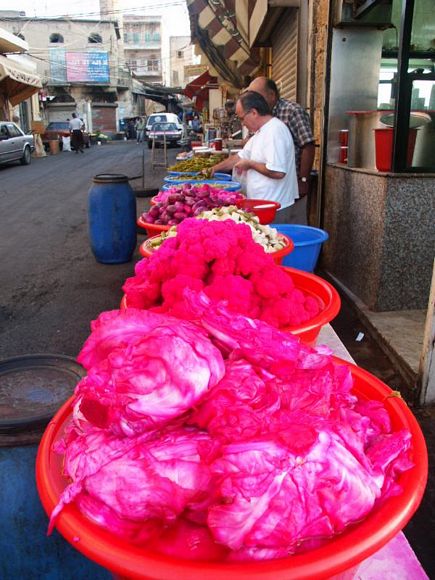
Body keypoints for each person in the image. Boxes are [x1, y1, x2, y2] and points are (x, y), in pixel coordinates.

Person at [209, 91, 298, 223]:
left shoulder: (274, 131)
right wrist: (214, 169)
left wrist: (250, 164)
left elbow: (278, 172)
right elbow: (239, 157)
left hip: (274, 208)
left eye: (242, 118)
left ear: (254, 113)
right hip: (261, 206)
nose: (242, 123)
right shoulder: (260, 132)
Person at [247, 77, 315, 223]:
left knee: (294, 226)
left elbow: (308, 146)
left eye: (257, 96)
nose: (254, 100)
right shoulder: (261, 115)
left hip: (293, 184)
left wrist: (303, 180)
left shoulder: (292, 111)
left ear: (272, 95)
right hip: (273, 188)